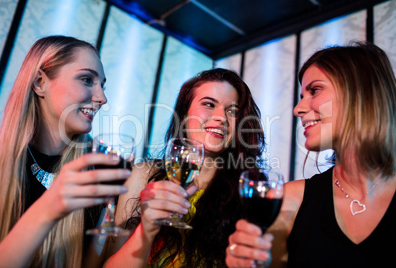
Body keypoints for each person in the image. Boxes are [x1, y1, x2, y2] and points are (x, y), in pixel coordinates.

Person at [225, 42, 396, 267]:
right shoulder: (290, 200)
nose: (297, 109)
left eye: (314, 90)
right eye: (301, 94)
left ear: (361, 92)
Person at [103, 68, 266, 267]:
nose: (221, 118)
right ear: (184, 112)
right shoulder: (144, 175)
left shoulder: (247, 191)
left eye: (232, 111)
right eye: (209, 104)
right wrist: (146, 229)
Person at [0, 35, 130, 267]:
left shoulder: (99, 174)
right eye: (87, 79)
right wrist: (48, 208)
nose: (102, 98)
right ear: (39, 83)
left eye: (102, 86)